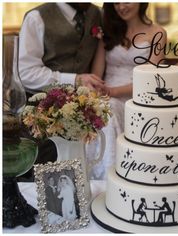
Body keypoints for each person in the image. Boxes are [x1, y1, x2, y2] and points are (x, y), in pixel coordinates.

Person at [18, 3, 107, 166]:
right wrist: (74, 79)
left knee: (82, 167)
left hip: (83, 111)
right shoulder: (36, 18)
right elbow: (26, 73)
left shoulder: (97, 13)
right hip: (41, 111)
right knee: (46, 172)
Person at [88, 3, 167, 179]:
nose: (121, 7)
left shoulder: (158, 33)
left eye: (126, 1)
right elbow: (96, 74)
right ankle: (94, 176)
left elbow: (150, 80)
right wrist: (96, 92)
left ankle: (113, 176)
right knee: (100, 109)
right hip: (106, 95)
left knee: (109, 109)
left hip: (139, 97)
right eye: (116, 2)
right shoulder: (107, 33)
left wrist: (113, 92)